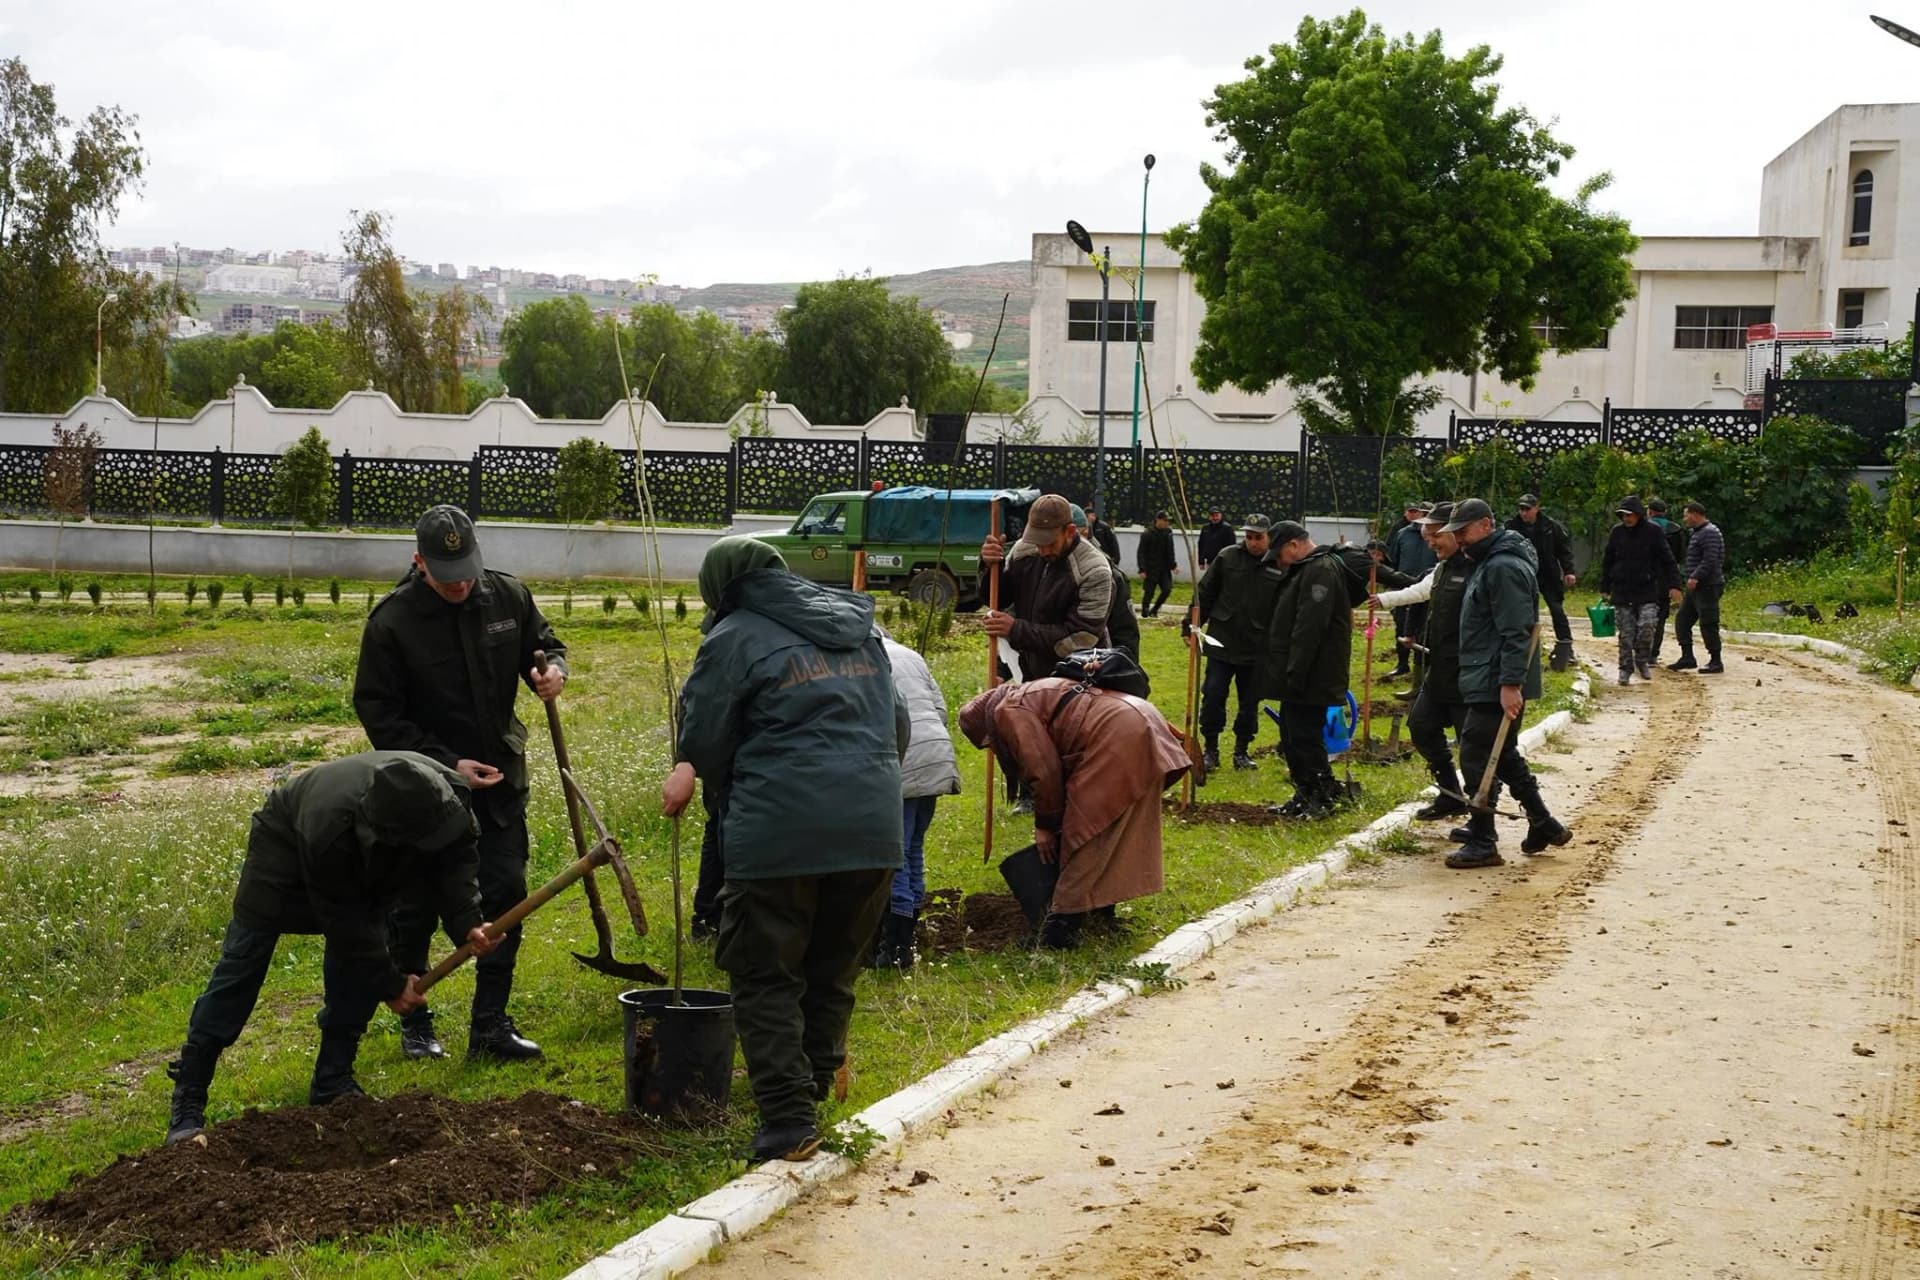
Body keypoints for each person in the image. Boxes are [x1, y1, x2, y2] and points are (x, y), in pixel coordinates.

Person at [662, 536, 909, 1162]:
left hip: (779, 833)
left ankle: (788, 1120)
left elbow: (704, 739)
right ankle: (816, 1082)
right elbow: (898, 726)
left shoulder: (734, 637)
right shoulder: (859, 628)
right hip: (874, 830)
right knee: (833, 966)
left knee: (764, 972)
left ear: (721, 590)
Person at [163, 752, 498, 1145]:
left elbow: (455, 860)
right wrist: (389, 984)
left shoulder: (447, 800)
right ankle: (190, 1094)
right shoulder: (329, 829)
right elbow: (345, 922)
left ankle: (333, 1081)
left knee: (359, 962)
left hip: (372, 853)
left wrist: (468, 924)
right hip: (284, 844)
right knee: (244, 963)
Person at [354, 504, 565, 1063]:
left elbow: (543, 645)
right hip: (425, 790)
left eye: (468, 569)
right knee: (416, 908)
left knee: (505, 897)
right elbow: (379, 713)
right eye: (447, 574)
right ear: (420, 561)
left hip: (500, 784)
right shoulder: (392, 623)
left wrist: (551, 672)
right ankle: (416, 1022)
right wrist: (448, 765)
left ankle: (490, 1024)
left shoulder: (507, 596)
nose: (461, 583)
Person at [958, 674, 1190, 949]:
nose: (993, 751)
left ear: (988, 730)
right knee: (1114, 825)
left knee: (1082, 834)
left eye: (988, 744)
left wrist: (1045, 825)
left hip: (1119, 734)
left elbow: (1044, 770)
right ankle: (1102, 909)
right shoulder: (1027, 694)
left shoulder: (1008, 711)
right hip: (1140, 720)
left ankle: (1059, 930)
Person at [1442, 499, 1571, 869]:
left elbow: (1517, 631)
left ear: (1485, 525)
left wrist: (1510, 683)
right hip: (1486, 674)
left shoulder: (1503, 567)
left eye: (1463, 532)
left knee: (1476, 754)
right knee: (1505, 753)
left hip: (1495, 678)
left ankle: (1484, 840)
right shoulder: (1488, 562)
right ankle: (1543, 822)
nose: (1460, 540)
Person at [1371, 503, 1476, 825]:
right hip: (1440, 665)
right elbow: (1422, 590)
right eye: (1426, 535)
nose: (1428, 541)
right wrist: (1385, 600)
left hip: (1469, 670)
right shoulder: (1442, 568)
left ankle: (1482, 817)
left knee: (1473, 747)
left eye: (1434, 534)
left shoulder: (1480, 567)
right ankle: (1449, 793)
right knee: (1421, 725)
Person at [1255, 521, 1355, 819]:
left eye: (1280, 553)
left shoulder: (1320, 570)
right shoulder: (1307, 569)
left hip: (1314, 672)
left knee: (1305, 736)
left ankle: (1322, 796)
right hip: (1300, 671)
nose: (1278, 561)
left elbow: (1310, 627)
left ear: (1295, 545)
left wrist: (1296, 672)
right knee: (1291, 733)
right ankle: (1304, 792)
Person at [872, 635, 960, 970]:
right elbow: (939, 709)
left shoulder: (866, 657)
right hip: (936, 752)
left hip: (902, 758)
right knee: (913, 848)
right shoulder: (910, 655)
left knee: (894, 854)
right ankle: (905, 939)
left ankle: (894, 948)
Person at [979, 493, 1113, 682]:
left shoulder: (1094, 570)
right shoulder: (1024, 549)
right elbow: (999, 599)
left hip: (1078, 679)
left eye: (1050, 543)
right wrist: (991, 565)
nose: (1043, 550)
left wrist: (1017, 630)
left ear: (1070, 531)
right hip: (1031, 677)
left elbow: (1079, 640)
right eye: (1037, 541)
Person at [1192, 514, 1277, 772]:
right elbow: (1205, 592)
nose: (1252, 542)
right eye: (1248, 537)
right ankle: (1211, 750)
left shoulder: (1277, 564)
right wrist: (1191, 625)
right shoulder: (1227, 557)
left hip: (1257, 646)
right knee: (1213, 695)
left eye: (1258, 537)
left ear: (1269, 537)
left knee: (1249, 701)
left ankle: (1242, 751)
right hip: (1222, 640)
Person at [1599, 495, 1683, 685]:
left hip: (1647, 590)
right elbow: (1608, 560)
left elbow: (1668, 559)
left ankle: (1642, 659)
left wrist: (1675, 585)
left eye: (1629, 515)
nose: (1626, 519)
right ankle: (1625, 669)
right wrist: (1605, 586)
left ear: (1638, 515)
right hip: (1622, 590)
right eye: (1623, 515)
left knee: (1647, 626)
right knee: (1626, 634)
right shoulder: (1617, 532)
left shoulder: (1654, 532)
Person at [1507, 495, 1578, 671]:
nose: (1524, 513)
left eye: (1527, 509)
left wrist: (1568, 571)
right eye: (1521, 509)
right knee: (1523, 613)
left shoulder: (1550, 526)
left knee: (1557, 610)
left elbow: (1564, 550)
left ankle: (1566, 649)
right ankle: (1524, 650)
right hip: (1523, 575)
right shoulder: (1511, 527)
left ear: (1537, 508)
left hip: (1548, 575)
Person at [1075, 504, 1141, 664]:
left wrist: (1123, 670)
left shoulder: (1110, 575)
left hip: (1095, 665)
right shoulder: (1041, 565)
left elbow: (1125, 632)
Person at [1669, 501, 1727, 674]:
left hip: (1708, 585)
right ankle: (1687, 657)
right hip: (1697, 587)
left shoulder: (1709, 533)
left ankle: (1716, 661)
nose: (1684, 519)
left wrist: (1696, 576)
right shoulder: (1698, 533)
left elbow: (1711, 560)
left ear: (1695, 514)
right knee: (1682, 620)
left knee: (1709, 622)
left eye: (1686, 515)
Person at [1386, 503, 1437, 679]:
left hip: (1428, 587)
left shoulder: (1434, 536)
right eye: (1421, 513)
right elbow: (1394, 560)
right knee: (1402, 626)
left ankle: (1421, 670)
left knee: (1423, 630)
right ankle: (1402, 664)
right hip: (1404, 586)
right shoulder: (1403, 534)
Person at [1646, 499, 1689, 663]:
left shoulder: (1644, 528)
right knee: (1661, 617)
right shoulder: (1676, 530)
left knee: (1642, 613)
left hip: (1646, 578)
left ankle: (1642, 650)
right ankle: (1653, 654)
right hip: (1666, 578)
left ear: (1650, 511)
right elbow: (1679, 557)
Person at [1136, 510, 1178, 617]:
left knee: (1167, 589)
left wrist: (1173, 565)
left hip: (1164, 569)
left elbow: (1170, 551)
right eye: (1165, 520)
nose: (1167, 523)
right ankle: (1145, 611)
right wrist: (1142, 569)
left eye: (1168, 521)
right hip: (1151, 568)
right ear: (1158, 520)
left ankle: (1155, 610)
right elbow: (1141, 552)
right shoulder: (1148, 533)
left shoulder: (1168, 533)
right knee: (1149, 592)